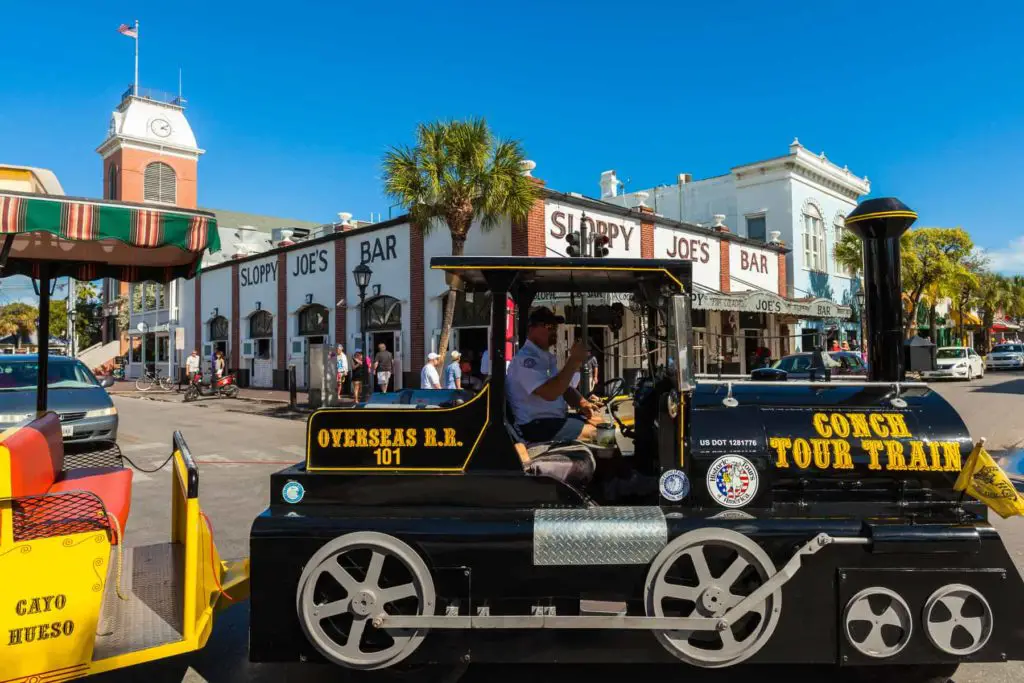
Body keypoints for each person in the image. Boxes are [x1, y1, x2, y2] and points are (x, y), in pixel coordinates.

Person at [506, 307, 601, 444]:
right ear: (532, 329)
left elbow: (564, 389)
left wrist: (583, 404)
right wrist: (574, 361)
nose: (554, 330)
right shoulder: (525, 361)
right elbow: (550, 392)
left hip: (551, 421)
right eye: (548, 326)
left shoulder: (543, 358)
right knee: (601, 434)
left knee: (601, 422)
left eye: (555, 326)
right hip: (536, 426)